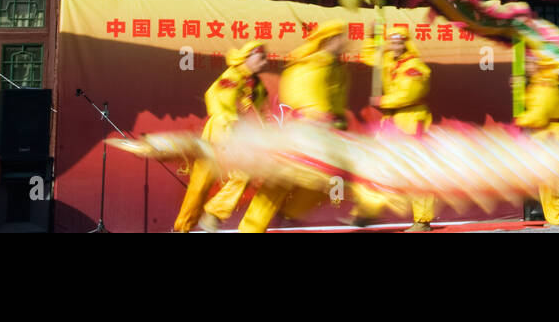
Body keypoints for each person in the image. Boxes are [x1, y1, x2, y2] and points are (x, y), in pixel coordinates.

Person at [239, 21, 350, 232]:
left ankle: (290, 213)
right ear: (329, 40)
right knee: (279, 181)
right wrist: (312, 113)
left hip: (325, 132)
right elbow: (297, 93)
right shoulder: (310, 63)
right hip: (302, 129)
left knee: (327, 178)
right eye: (339, 38)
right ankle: (251, 229)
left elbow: (337, 99)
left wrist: (337, 118)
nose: (344, 42)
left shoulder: (339, 68)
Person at [173, 41, 278, 233]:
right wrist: (232, 125)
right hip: (221, 132)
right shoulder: (232, 76)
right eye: (261, 57)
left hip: (239, 136)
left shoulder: (257, 85)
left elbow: (261, 113)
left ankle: (214, 214)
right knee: (200, 184)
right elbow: (218, 100)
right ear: (248, 57)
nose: (264, 62)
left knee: (244, 172)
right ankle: (182, 228)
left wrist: (266, 133)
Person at [354, 25, 437, 231]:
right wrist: (372, 37)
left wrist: (382, 100)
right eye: (392, 41)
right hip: (392, 124)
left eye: (399, 42)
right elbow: (368, 57)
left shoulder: (415, 66)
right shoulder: (388, 61)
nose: (395, 45)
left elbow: (408, 94)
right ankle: (368, 210)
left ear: (406, 42)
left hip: (410, 122)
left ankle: (423, 221)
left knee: (415, 173)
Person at [514, 48, 559, 226]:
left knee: (551, 182)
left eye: (529, 63)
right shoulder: (540, 83)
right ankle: (555, 217)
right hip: (545, 137)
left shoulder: (546, 84)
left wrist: (521, 120)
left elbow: (540, 114)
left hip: (550, 137)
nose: (527, 67)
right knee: (546, 183)